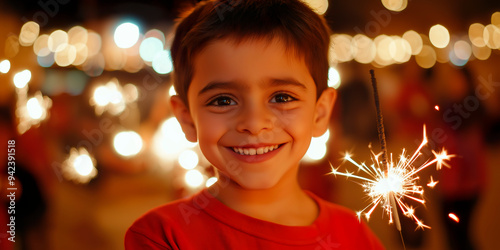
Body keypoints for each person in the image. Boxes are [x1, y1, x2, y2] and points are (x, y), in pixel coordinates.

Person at [125, 0, 384, 249]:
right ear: (187, 118)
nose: (254, 123)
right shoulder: (162, 236)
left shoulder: (354, 235)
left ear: (320, 113)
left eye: (282, 97)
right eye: (223, 100)